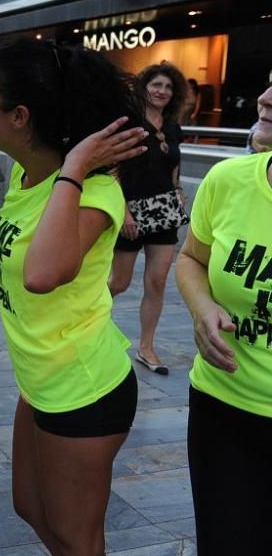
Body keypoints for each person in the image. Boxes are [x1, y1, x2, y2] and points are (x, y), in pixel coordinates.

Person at [0, 38, 148, 556]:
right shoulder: (29, 176)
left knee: (76, 537)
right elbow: (25, 254)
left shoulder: (90, 191)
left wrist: (78, 163)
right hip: (40, 379)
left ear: (19, 116)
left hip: (84, 388)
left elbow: (43, 273)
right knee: (31, 507)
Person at [175, 82, 272, 556]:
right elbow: (191, 258)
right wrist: (203, 308)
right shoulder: (228, 179)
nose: (266, 98)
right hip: (223, 409)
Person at [108, 63, 189, 375]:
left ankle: (146, 348)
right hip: (132, 208)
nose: (162, 91)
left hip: (165, 209)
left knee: (156, 282)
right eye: (156, 85)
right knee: (119, 282)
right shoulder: (130, 122)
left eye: (168, 87)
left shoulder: (171, 126)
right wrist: (125, 211)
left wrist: (178, 187)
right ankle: (84, 322)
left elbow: (172, 165)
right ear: (144, 86)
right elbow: (114, 170)